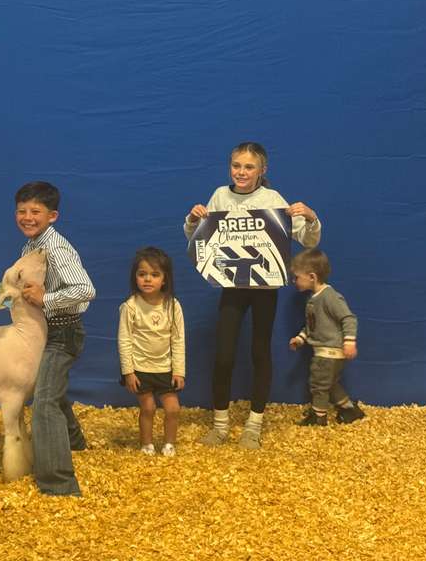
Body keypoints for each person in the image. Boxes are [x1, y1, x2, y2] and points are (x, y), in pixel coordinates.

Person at [184, 142, 321, 449]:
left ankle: (254, 425)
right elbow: (201, 241)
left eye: (249, 167)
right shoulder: (220, 195)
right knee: (224, 355)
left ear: (263, 170)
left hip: (264, 288)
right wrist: (193, 221)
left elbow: (305, 239)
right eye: (236, 165)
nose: (241, 172)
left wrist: (310, 217)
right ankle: (220, 424)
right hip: (232, 287)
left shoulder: (272, 199)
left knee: (260, 352)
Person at [16, 181, 96, 496]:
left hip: (63, 333)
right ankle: (74, 442)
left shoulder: (56, 248)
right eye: (21, 211)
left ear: (53, 215)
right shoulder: (31, 246)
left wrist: (46, 298)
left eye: (35, 211)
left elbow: (86, 290)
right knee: (53, 391)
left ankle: (59, 483)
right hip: (46, 331)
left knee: (45, 402)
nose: (27, 217)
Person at [118, 247, 185, 457]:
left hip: (165, 368)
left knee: (173, 409)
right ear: (135, 277)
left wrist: (179, 371)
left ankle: (169, 444)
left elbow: (178, 340)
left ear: (164, 279)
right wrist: (128, 372)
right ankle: (146, 444)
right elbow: (124, 340)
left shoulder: (173, 306)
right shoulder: (130, 307)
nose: (148, 279)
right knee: (148, 408)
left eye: (155, 275)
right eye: (142, 274)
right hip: (140, 369)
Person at [289, 249, 364, 425]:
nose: (294, 281)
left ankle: (319, 417)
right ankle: (349, 409)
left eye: (297, 277)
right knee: (330, 384)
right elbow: (312, 327)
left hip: (328, 354)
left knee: (318, 385)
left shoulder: (329, 296)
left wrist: (349, 341)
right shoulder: (313, 299)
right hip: (326, 352)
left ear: (312, 277)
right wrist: (300, 339)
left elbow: (348, 318)